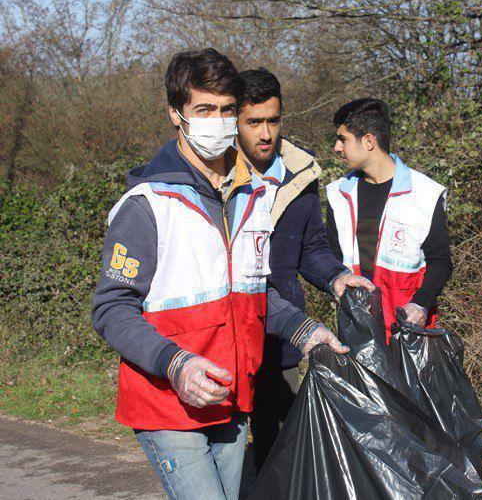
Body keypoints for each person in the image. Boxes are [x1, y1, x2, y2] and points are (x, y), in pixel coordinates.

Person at [91, 48, 348, 500]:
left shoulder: (252, 196)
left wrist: (303, 329)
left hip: (232, 397)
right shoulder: (147, 204)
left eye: (227, 109)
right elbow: (111, 309)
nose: (219, 120)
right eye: (204, 109)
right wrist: (177, 363)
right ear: (176, 114)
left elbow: (253, 292)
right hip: (168, 400)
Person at [234, 68, 372, 471]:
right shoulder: (216, 175)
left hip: (280, 340)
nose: (265, 134)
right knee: (225, 459)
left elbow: (310, 248)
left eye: (273, 121)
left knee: (281, 456)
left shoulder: (301, 175)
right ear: (235, 122)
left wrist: (337, 277)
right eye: (253, 122)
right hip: (225, 338)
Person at [326, 98, 453, 342]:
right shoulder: (337, 194)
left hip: (409, 330)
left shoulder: (425, 193)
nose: (336, 148)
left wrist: (421, 305)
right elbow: (330, 256)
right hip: (357, 330)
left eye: (342, 139)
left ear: (368, 141)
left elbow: (440, 260)